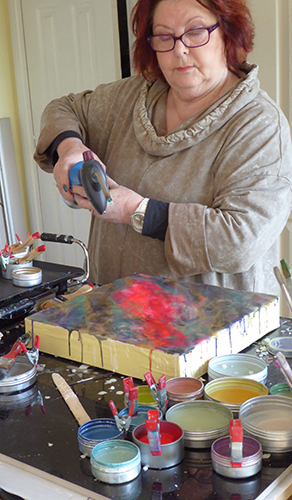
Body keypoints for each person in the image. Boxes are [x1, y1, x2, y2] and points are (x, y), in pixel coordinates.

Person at [34, 0, 292, 294]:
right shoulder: (130, 97)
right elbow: (64, 108)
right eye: (164, 37)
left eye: (195, 32)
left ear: (227, 33)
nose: (179, 50)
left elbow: (239, 241)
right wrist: (69, 146)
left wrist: (137, 211)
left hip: (208, 326)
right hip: (111, 312)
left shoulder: (259, 125)